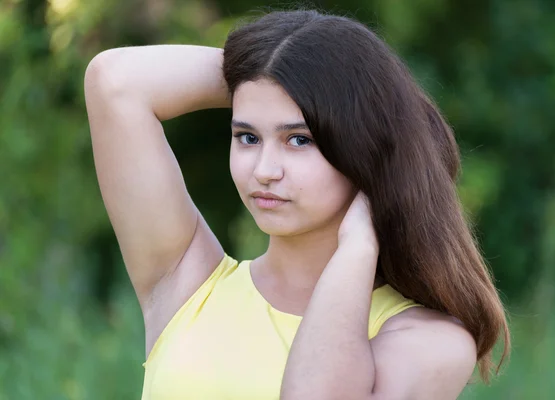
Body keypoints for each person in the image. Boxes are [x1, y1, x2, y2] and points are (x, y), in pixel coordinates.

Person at [84, 8, 510, 400]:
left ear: (360, 149)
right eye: (248, 137)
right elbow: (115, 81)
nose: (265, 169)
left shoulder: (430, 340)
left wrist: (359, 245)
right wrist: (269, 68)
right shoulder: (184, 284)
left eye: (299, 140)